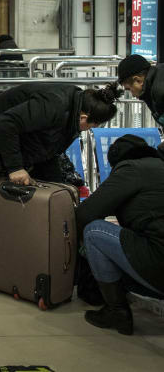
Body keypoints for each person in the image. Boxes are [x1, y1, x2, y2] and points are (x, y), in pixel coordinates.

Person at [0, 82, 121, 292]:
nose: (90, 130)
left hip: (15, 143)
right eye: (93, 126)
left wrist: (59, 186)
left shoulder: (74, 107)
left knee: (58, 192)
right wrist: (16, 167)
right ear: (84, 118)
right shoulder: (55, 104)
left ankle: (37, 264)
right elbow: (6, 124)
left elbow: (48, 148)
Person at [76, 135, 164, 335]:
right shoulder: (158, 166)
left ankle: (116, 311)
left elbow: (86, 213)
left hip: (159, 262)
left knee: (94, 231)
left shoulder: (131, 169)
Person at [117, 54, 163, 125]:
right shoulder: (157, 78)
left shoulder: (159, 92)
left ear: (138, 80)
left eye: (129, 89)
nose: (132, 95)